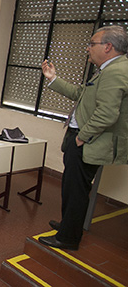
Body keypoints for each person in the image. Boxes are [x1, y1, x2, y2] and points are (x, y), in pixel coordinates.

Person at [39, 25, 128, 251]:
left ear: (108, 46)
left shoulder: (117, 72)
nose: (87, 48)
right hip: (81, 139)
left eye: (91, 44)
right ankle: (68, 226)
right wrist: (53, 79)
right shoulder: (107, 69)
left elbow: (108, 113)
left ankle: (68, 237)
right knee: (72, 187)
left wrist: (82, 137)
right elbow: (81, 94)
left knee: (77, 190)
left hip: (87, 141)